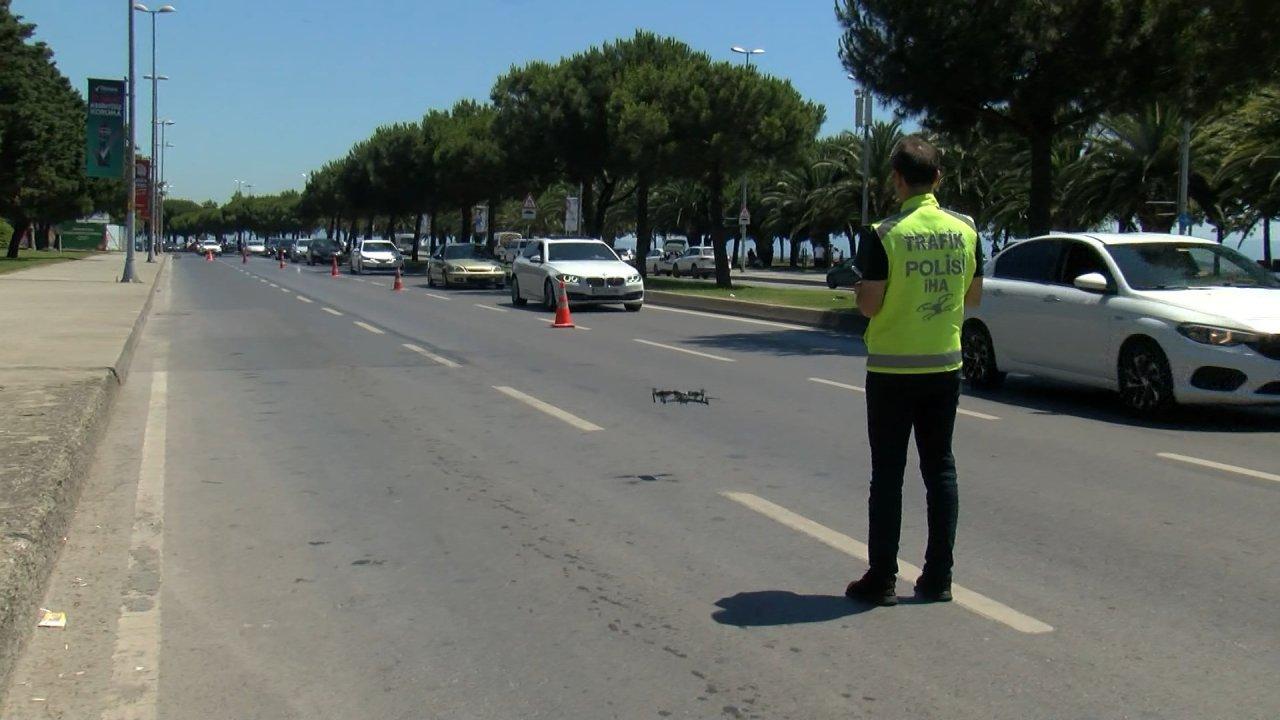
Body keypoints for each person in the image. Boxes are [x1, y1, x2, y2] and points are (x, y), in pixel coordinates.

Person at [845, 135, 984, 606]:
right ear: (939, 178)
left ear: (898, 179)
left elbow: (870, 305)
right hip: (945, 366)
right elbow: (974, 296)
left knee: (888, 474)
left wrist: (862, 291)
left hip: (892, 371)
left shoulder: (884, 234)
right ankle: (938, 577)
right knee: (940, 469)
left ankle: (882, 578)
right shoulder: (966, 229)